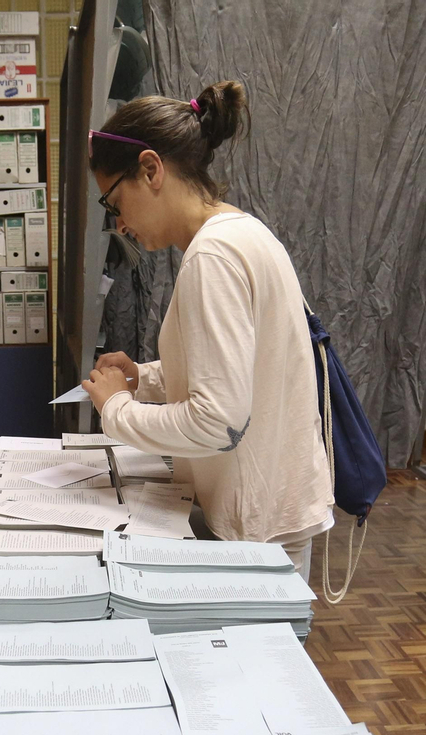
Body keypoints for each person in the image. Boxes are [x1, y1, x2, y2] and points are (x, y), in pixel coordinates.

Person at [80, 81, 333, 579]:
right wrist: (144, 379)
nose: (120, 225)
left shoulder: (212, 257)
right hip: (272, 512)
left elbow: (218, 423)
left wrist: (116, 410)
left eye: (113, 204)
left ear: (150, 169)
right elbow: (245, 369)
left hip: (256, 527)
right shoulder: (242, 231)